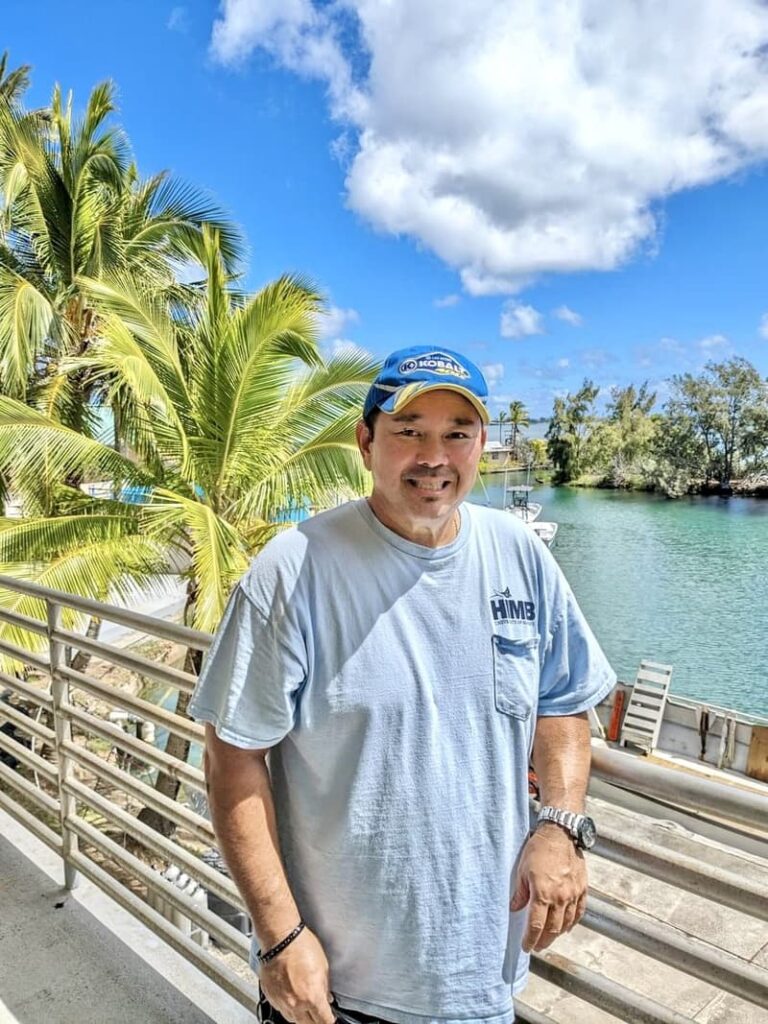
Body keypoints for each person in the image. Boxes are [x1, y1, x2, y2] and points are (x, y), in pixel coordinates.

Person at [189, 345, 616, 1024]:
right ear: (366, 441)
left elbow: (563, 699)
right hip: (337, 992)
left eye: (457, 433)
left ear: (483, 446)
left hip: (485, 983)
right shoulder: (294, 572)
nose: (434, 457)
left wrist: (561, 823)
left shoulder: (521, 556)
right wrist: (279, 938)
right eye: (409, 431)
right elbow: (232, 755)